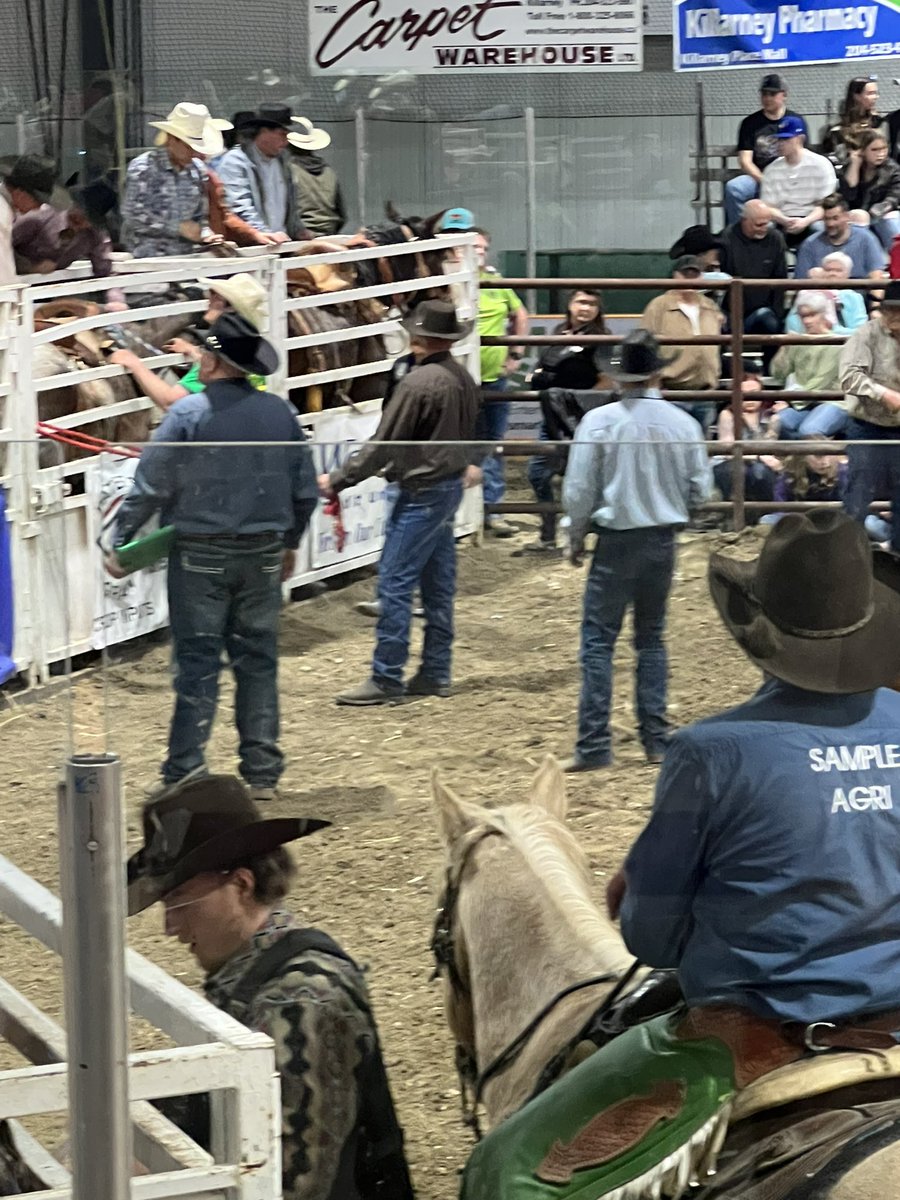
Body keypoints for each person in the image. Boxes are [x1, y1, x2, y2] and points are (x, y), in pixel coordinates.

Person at [126, 775, 414, 1200]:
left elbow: (298, 1185)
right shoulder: (246, 977)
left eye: (180, 899)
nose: (170, 927)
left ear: (241, 885)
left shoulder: (300, 1003)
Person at [109, 313, 318, 796]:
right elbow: (303, 490)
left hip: (201, 553)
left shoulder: (188, 415)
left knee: (198, 663)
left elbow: (151, 485)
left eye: (203, 353)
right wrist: (290, 543)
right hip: (263, 551)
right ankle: (262, 772)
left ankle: (184, 769)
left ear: (216, 361)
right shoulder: (279, 413)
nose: (197, 359)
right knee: (258, 661)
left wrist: (122, 539)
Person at [561, 330, 712, 772]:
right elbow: (701, 489)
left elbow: (579, 490)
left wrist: (574, 536)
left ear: (617, 376)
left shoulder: (600, 422)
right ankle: (655, 740)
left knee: (597, 642)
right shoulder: (684, 423)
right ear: (656, 372)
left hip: (616, 540)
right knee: (651, 638)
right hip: (661, 539)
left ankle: (593, 745)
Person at [317, 300, 480, 705]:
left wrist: (337, 480)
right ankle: (435, 670)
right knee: (437, 585)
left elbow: (383, 444)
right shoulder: (460, 378)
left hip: (421, 491)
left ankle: (387, 676)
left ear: (418, 337)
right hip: (445, 487)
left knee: (395, 581)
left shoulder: (417, 383)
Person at [525, 290, 610, 553]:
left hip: (584, 419)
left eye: (592, 304)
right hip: (553, 417)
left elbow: (607, 380)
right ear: (570, 305)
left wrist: (580, 402)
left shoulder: (603, 339)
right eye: (581, 302)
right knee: (538, 474)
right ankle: (549, 533)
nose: (585, 308)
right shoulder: (559, 331)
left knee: (587, 478)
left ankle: (590, 534)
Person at [108, 273, 269, 408]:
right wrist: (194, 352)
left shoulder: (215, 356)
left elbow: (171, 401)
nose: (209, 298)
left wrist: (134, 364)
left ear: (230, 307)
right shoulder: (247, 349)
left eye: (216, 295)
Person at [473, 227, 529, 537]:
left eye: (482, 247)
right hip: (460, 383)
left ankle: (492, 510)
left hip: (494, 379)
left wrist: (516, 355)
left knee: (493, 444)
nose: (478, 252)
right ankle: (464, 512)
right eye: (472, 247)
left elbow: (520, 314)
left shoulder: (496, 283)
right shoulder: (448, 283)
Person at [839, 279, 900, 553]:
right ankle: (847, 552)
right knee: (859, 490)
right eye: (889, 310)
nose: (893, 316)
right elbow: (850, 377)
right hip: (867, 423)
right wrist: (883, 394)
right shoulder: (866, 335)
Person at [122, 103, 226, 258]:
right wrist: (176, 227)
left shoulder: (198, 171)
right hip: (147, 261)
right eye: (188, 146)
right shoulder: (144, 168)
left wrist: (206, 235)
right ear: (171, 140)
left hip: (187, 259)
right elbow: (131, 214)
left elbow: (200, 217)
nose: (194, 152)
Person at [640, 255, 724, 435]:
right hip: (671, 391)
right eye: (686, 274)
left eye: (695, 274)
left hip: (705, 392)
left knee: (701, 446)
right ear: (675, 276)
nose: (690, 279)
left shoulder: (710, 306)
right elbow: (645, 345)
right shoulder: (658, 306)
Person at [217, 104, 305, 244]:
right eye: (282, 134)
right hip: (251, 246)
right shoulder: (235, 161)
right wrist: (263, 233)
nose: (286, 141)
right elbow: (238, 206)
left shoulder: (283, 162)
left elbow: (290, 205)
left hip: (281, 243)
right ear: (264, 132)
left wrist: (298, 229)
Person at [724, 74, 804, 225]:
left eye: (772, 94)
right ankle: (740, 235)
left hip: (789, 177)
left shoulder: (795, 121)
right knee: (734, 188)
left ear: (784, 95)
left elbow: (803, 155)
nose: (767, 98)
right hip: (759, 177)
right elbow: (745, 160)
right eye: (764, 94)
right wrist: (765, 181)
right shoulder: (750, 123)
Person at [718, 198, 788, 365]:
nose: (764, 229)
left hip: (763, 311)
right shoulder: (727, 238)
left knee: (771, 322)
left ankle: (769, 372)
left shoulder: (776, 239)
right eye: (759, 225)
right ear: (744, 221)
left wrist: (777, 313)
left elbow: (781, 280)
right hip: (730, 312)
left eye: (767, 224)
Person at [770, 291, 849, 439]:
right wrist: (785, 347)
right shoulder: (798, 341)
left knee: (809, 430)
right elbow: (778, 374)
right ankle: (791, 462)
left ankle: (826, 460)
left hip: (834, 401)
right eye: (803, 316)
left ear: (823, 314)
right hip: (803, 402)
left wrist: (790, 401)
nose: (807, 321)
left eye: (812, 315)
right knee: (779, 422)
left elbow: (820, 381)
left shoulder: (838, 343)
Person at [12, 175, 118, 277]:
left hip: (54, 288)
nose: (80, 217)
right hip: (13, 282)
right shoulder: (39, 217)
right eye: (79, 208)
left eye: (88, 217)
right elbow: (3, 243)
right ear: (74, 202)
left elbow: (103, 269)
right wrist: (29, 266)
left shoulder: (93, 236)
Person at [760, 116, 836, 246]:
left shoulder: (821, 165)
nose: (781, 143)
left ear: (800, 139)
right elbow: (769, 207)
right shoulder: (771, 170)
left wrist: (805, 221)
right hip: (782, 220)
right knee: (764, 229)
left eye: (786, 139)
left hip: (812, 219)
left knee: (820, 229)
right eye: (779, 139)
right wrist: (784, 220)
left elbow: (825, 205)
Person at [712, 393, 781, 515]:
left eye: (754, 392)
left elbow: (770, 446)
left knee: (761, 471)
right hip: (729, 460)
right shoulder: (727, 414)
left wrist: (761, 458)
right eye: (745, 394)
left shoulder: (771, 416)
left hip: (760, 462)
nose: (750, 399)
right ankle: (731, 514)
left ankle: (763, 514)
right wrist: (758, 456)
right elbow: (727, 450)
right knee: (737, 469)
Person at [794, 192, 885, 280]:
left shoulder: (866, 239)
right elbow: (800, 282)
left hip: (859, 294)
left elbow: (876, 276)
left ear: (847, 216)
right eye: (826, 219)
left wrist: (874, 296)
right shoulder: (810, 244)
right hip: (821, 294)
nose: (830, 224)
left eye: (835, 218)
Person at [839, 128, 900, 250]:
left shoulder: (893, 170)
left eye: (884, 148)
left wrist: (872, 213)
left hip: (880, 215)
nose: (881, 153)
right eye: (875, 150)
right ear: (862, 151)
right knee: (857, 217)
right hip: (855, 217)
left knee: (889, 221)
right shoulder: (849, 166)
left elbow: (893, 199)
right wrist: (855, 165)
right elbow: (848, 196)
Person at [286, 118, 345, 237]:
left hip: (300, 236)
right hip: (330, 233)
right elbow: (341, 212)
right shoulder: (329, 171)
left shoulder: (288, 171)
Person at [785, 251, 867, 332]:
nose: (832, 274)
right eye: (828, 270)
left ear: (848, 274)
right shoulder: (806, 294)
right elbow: (791, 326)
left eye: (838, 271)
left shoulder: (853, 297)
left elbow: (860, 331)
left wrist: (831, 331)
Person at [823, 76, 885, 169]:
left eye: (876, 93)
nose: (875, 97)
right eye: (870, 93)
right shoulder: (837, 126)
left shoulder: (877, 121)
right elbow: (831, 155)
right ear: (856, 96)